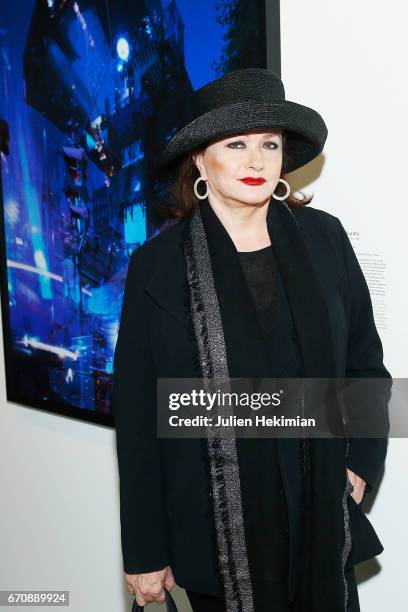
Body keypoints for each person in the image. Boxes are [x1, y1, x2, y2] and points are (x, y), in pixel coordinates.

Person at [112, 68, 392, 612]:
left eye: (270, 143)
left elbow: (365, 366)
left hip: (320, 523)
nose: (256, 160)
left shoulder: (326, 239)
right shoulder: (157, 268)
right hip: (214, 532)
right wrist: (144, 550)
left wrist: (359, 466)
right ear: (199, 159)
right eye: (235, 144)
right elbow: (139, 416)